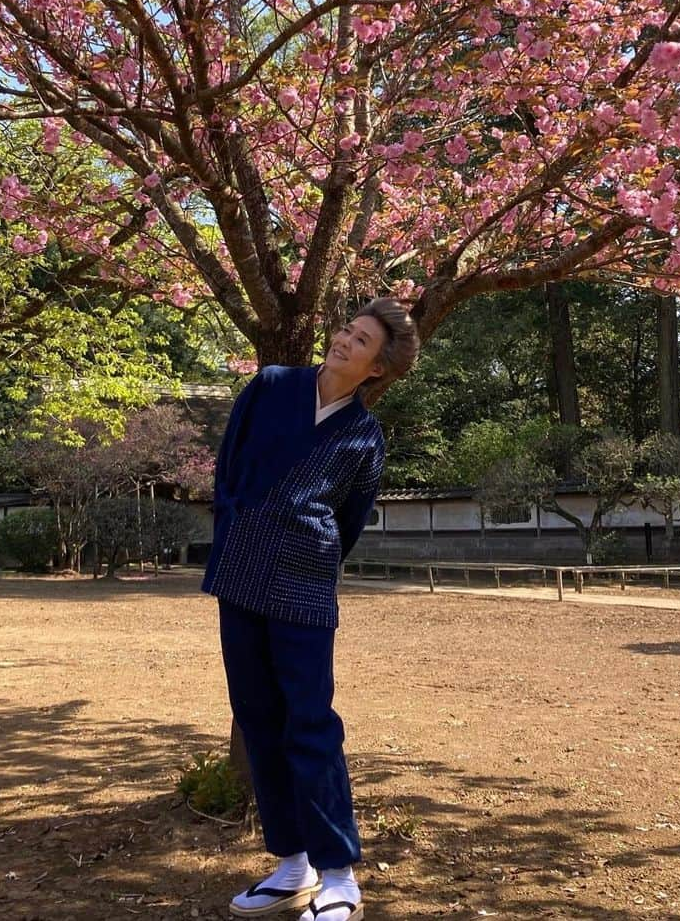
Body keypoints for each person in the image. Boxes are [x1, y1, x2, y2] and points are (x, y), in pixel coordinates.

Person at [201, 298, 420, 921]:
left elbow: (350, 520)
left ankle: (338, 875)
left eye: (362, 341)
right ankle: (290, 863)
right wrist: (242, 527)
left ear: (377, 369)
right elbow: (228, 468)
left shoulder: (364, 436)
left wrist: (307, 551)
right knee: (258, 715)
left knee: (310, 723)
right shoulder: (271, 386)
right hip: (241, 571)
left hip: (304, 585)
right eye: (347, 330)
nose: (345, 342)